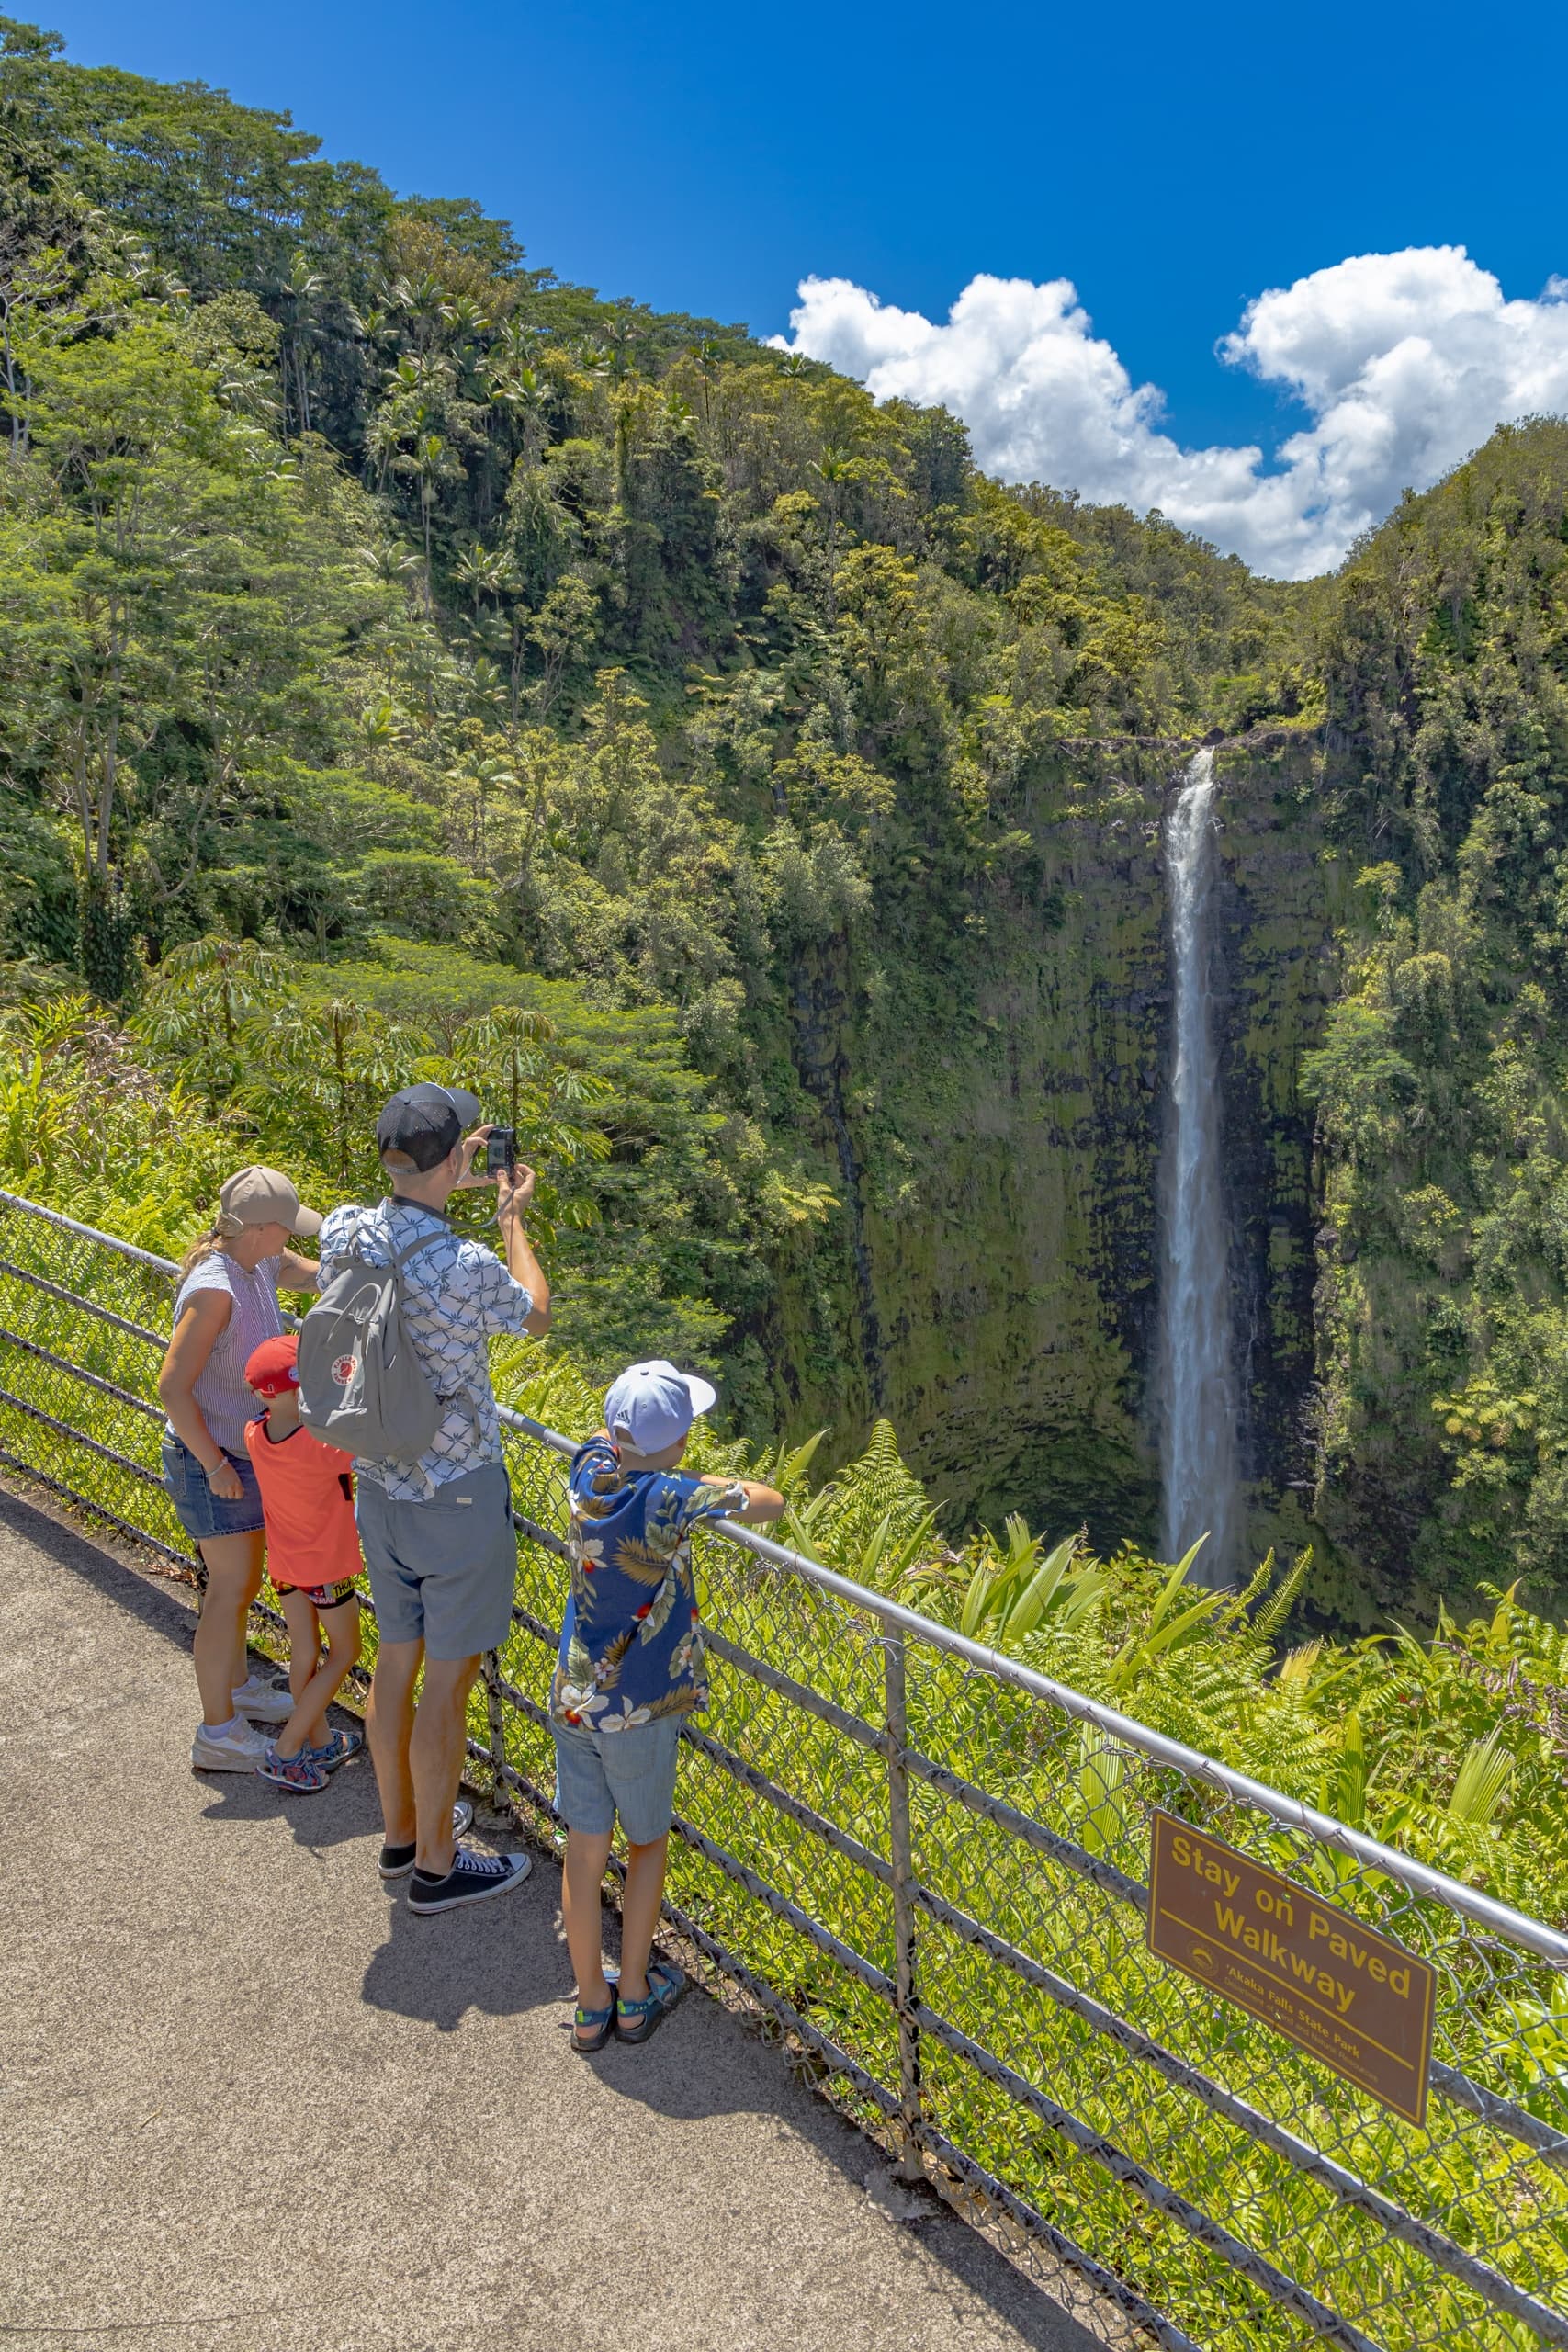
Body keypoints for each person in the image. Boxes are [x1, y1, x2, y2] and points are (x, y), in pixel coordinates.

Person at [316, 1083, 549, 1913]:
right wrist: (511, 1216)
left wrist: (446, 1172)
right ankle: (438, 1870)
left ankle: (401, 1837)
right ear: (457, 1160)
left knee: (395, 1659)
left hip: (377, 1485)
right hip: (455, 1492)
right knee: (448, 1684)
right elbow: (533, 1316)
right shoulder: (465, 1265)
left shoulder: (348, 1228)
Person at [552, 1360, 783, 2052]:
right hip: (641, 1707)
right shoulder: (673, 1498)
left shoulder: (588, 1471)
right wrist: (696, 1479)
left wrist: (637, 1445)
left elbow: (604, 1436)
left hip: (575, 1694)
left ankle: (589, 2004)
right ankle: (631, 1994)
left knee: (584, 1850)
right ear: (680, 1444)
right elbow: (768, 1500)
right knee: (646, 1841)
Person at [159, 1167, 323, 1773]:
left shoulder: (254, 1263)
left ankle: (237, 1690)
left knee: (239, 1588)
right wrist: (214, 1466)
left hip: (240, 1454)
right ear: (264, 1228)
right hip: (215, 1461)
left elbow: (313, 1273)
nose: (294, 1241)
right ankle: (218, 1732)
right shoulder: (215, 1290)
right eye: (289, 1229)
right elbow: (172, 1386)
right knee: (227, 1594)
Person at [241, 1334, 366, 1794]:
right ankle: (288, 1751)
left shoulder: (254, 1434)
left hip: (286, 1566)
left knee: (305, 1653)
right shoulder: (322, 1444)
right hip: (326, 1569)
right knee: (344, 1653)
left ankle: (321, 1741)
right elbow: (365, 1445)